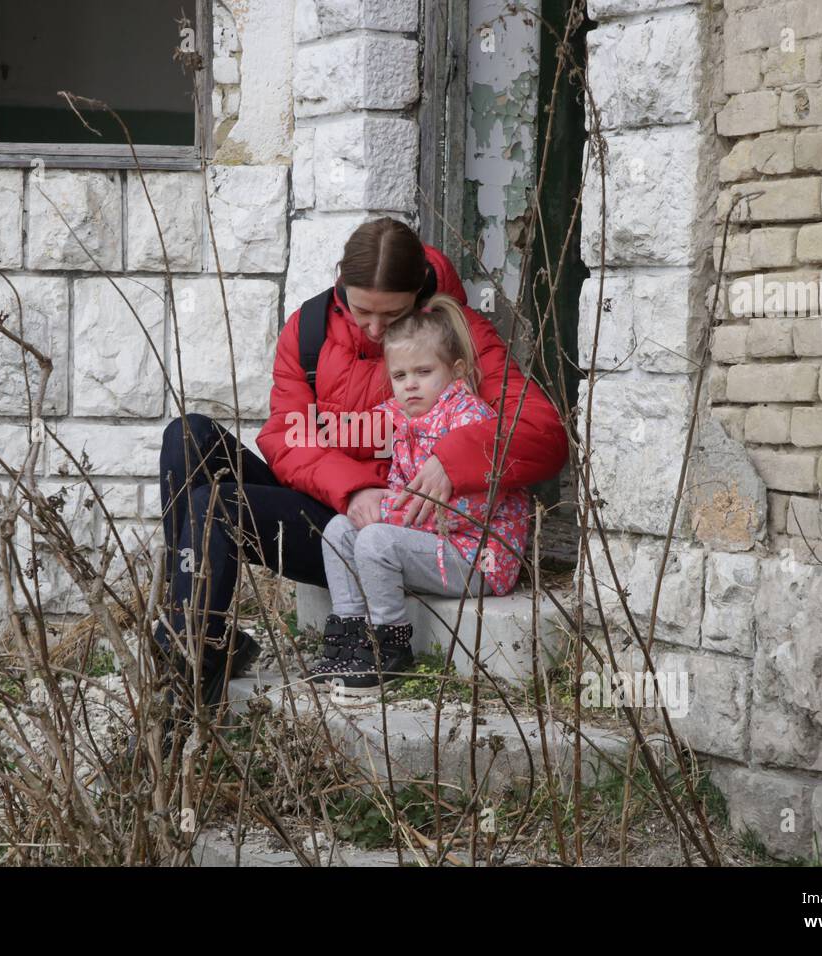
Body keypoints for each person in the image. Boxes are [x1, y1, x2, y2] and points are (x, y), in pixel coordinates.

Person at [156, 217, 567, 708]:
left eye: (390, 316)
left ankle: (188, 665)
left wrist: (452, 460)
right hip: (327, 509)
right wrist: (351, 489)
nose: (373, 329)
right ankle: (197, 638)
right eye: (362, 311)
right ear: (341, 284)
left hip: (389, 532)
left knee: (215, 506)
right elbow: (286, 437)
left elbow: (542, 433)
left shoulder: (455, 335)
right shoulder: (309, 329)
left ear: (416, 296)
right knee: (188, 437)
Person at [306, 293, 532, 693]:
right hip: (432, 545)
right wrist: (317, 433)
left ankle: (390, 645)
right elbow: (343, 432)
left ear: (455, 371)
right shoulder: (404, 418)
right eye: (400, 376)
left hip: (477, 555)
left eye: (423, 372)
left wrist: (386, 512)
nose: (410, 385)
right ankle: (350, 637)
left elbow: (462, 513)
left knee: (375, 537)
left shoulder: (471, 419)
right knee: (339, 528)